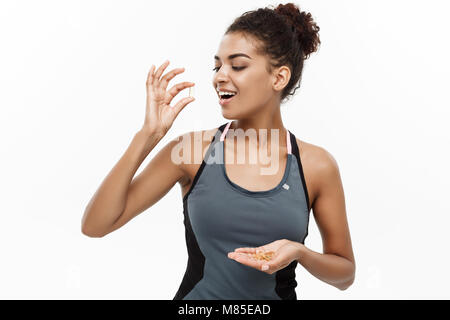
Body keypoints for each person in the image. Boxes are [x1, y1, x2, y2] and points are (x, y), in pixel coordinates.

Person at [81, 3, 355, 300]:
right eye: (217, 66)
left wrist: (300, 252)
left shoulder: (316, 166)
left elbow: (344, 274)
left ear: (279, 78)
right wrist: (148, 136)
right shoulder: (190, 152)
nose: (219, 77)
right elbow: (96, 225)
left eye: (237, 66)